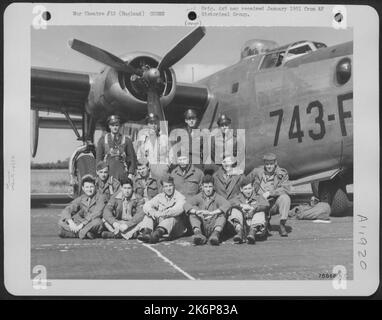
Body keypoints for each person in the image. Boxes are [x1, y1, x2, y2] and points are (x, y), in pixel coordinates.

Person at [248, 153, 291, 237]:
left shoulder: (281, 174)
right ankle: (265, 223)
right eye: (267, 164)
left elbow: (286, 189)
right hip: (259, 202)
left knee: (285, 198)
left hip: (273, 203)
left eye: (271, 164)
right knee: (260, 233)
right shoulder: (257, 171)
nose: (269, 166)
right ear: (264, 164)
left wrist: (270, 193)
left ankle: (282, 224)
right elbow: (245, 181)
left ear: (275, 163)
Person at [137, 174, 187, 244]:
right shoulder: (160, 196)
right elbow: (147, 205)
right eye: (166, 186)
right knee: (148, 216)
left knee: (171, 218)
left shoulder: (180, 197)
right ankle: (146, 233)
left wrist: (161, 213)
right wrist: (152, 212)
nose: (169, 188)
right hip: (161, 222)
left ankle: (156, 235)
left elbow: (177, 210)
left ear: (174, 186)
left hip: (175, 227)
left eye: (170, 186)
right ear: (163, 188)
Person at [184, 175, 230, 246]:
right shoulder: (199, 196)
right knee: (193, 211)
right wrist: (196, 212)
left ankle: (215, 235)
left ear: (213, 187)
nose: (208, 189)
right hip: (202, 226)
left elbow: (227, 204)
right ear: (202, 187)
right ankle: (198, 234)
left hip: (213, 225)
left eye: (210, 187)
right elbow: (186, 204)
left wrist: (212, 213)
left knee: (222, 214)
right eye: (205, 187)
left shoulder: (217, 197)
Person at [58, 175, 106, 239]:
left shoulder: (101, 197)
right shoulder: (82, 198)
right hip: (83, 224)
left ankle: (78, 233)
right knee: (61, 221)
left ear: (95, 187)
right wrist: (71, 222)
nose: (89, 189)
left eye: (91, 187)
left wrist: (82, 225)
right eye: (87, 187)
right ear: (83, 188)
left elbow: (97, 213)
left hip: (92, 222)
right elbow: (67, 209)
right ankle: (85, 233)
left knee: (98, 222)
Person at [102, 174, 145, 239]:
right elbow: (107, 210)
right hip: (119, 222)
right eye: (125, 188)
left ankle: (114, 234)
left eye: (129, 188)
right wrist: (114, 223)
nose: (127, 191)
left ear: (132, 188)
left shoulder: (138, 198)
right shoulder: (115, 196)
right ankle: (128, 234)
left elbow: (140, 214)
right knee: (104, 219)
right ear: (121, 188)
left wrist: (128, 225)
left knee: (143, 220)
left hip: (132, 223)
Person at [229, 176, 270, 244]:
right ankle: (240, 233)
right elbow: (228, 203)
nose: (248, 191)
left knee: (260, 212)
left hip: (257, 228)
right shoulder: (237, 197)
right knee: (234, 210)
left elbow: (266, 205)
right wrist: (240, 206)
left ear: (253, 188)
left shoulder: (258, 197)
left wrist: (253, 208)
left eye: (249, 188)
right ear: (241, 189)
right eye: (245, 189)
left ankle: (252, 233)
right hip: (242, 226)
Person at [96, 115, 137, 180]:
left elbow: (132, 158)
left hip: (123, 174)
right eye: (112, 125)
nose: (115, 127)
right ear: (109, 126)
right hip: (107, 175)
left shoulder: (127, 140)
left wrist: (131, 173)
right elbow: (98, 159)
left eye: (117, 125)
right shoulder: (102, 140)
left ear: (120, 126)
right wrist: (99, 173)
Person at [136, 113, 170, 180]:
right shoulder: (143, 139)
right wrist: (143, 169)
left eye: (155, 123)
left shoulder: (164, 138)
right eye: (151, 123)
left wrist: (166, 167)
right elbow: (139, 156)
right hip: (148, 173)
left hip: (161, 172)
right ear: (147, 125)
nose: (153, 125)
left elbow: (171, 155)